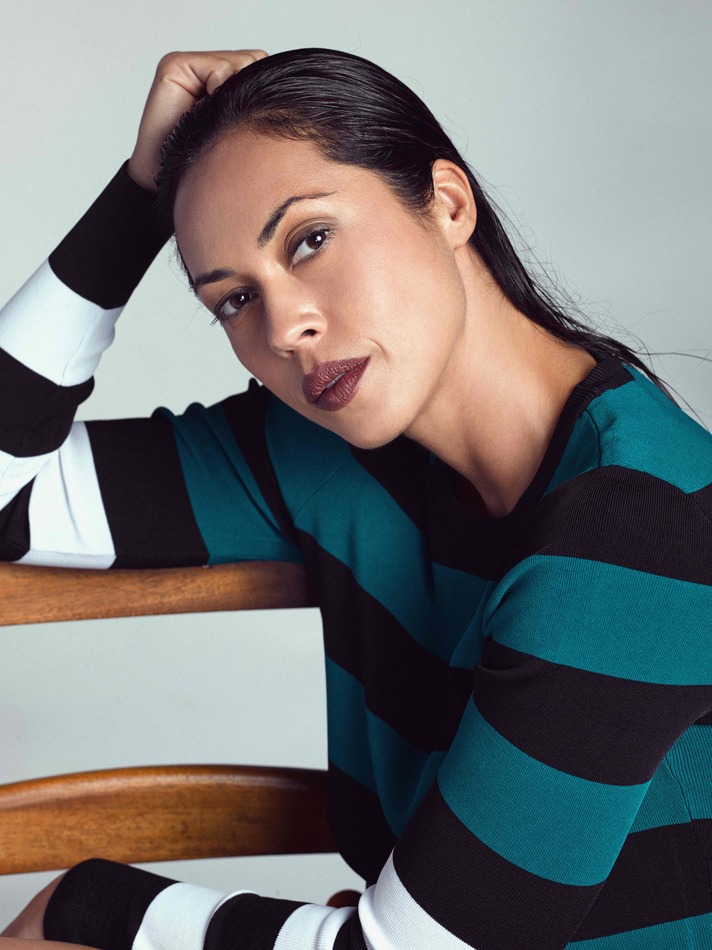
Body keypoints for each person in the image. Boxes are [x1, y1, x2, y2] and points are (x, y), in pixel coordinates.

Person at [0, 46, 711, 950]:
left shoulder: (638, 526)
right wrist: (140, 196)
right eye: (233, 299)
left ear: (448, 204)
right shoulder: (331, 451)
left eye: (309, 240)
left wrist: (91, 904)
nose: (285, 327)